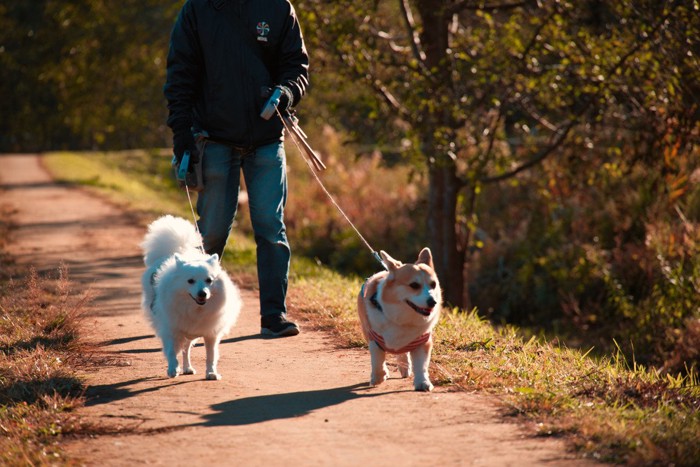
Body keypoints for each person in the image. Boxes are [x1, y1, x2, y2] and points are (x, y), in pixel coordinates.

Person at [163, 0, 309, 337]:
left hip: (267, 138)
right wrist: (182, 134)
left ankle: (273, 317)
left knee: (271, 228)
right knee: (211, 231)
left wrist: (286, 92)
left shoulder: (277, 7)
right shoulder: (198, 10)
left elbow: (296, 66)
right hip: (214, 139)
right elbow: (180, 74)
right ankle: (190, 316)